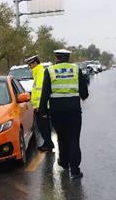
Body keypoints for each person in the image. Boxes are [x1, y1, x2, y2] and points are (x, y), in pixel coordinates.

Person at [39, 49, 89, 179]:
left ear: (57, 58)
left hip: (57, 112)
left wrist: (43, 111)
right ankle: (75, 171)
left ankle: (64, 163)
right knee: (73, 139)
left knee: (61, 137)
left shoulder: (49, 71)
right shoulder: (75, 69)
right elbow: (84, 93)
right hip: (74, 111)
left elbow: (45, 93)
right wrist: (81, 96)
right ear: (68, 58)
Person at [25, 55, 54, 152]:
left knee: (43, 126)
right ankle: (48, 143)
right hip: (41, 105)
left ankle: (49, 144)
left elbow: (41, 91)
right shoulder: (37, 72)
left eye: (30, 64)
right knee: (43, 126)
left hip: (41, 106)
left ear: (35, 63)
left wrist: (38, 106)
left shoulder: (40, 72)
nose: (30, 67)